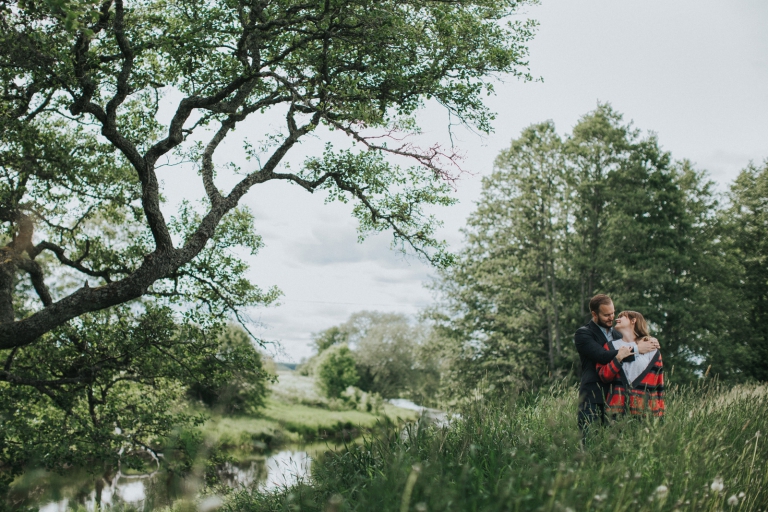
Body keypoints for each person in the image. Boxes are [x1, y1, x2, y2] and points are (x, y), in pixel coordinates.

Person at [574, 295, 659, 440]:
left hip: (616, 398)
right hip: (593, 397)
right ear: (594, 314)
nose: (611, 317)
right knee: (589, 441)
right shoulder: (583, 333)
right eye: (606, 315)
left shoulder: (616, 333)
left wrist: (649, 339)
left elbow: (634, 337)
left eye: (613, 313)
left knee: (612, 444)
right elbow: (602, 355)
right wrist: (637, 349)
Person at [596, 310, 665, 418]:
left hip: (647, 414)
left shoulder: (652, 349)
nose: (616, 319)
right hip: (616, 412)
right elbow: (604, 376)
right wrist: (618, 359)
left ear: (633, 320)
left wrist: (661, 413)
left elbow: (659, 385)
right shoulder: (610, 347)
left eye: (622, 316)